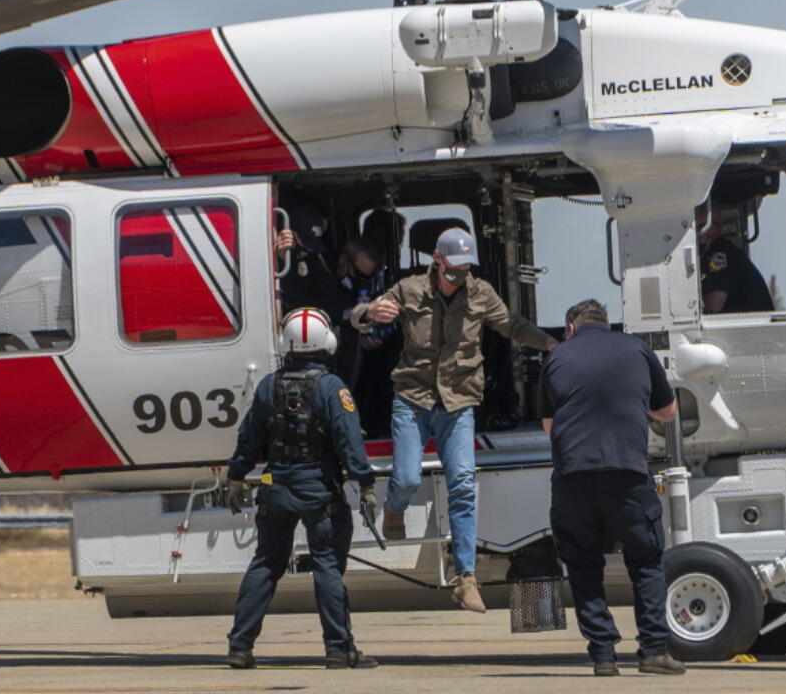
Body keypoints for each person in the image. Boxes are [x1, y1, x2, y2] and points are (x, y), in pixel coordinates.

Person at [351, 227, 556, 613]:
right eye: (454, 265)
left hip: (459, 402)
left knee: (463, 484)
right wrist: (368, 313)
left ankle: (466, 578)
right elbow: (358, 316)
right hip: (413, 399)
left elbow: (512, 325)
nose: (460, 272)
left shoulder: (480, 294)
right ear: (437, 259)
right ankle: (394, 508)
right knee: (407, 477)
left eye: (466, 266)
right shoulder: (409, 289)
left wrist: (548, 343)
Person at [224, 307, 377, 670]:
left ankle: (240, 646)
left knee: (265, 563)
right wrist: (365, 483)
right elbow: (349, 440)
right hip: (319, 492)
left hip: (276, 490)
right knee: (327, 566)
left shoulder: (267, 386)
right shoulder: (332, 387)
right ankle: (339, 649)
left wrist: (235, 476)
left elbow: (248, 439)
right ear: (326, 342)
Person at [538, 299, 685, 676]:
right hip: (627, 472)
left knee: (584, 564)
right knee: (646, 561)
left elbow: (549, 428)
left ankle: (603, 656)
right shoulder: (636, 348)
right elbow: (668, 412)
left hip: (574, 476)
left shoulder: (556, 358)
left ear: (571, 327)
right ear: (606, 323)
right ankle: (653, 651)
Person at [336, 238, 397, 438]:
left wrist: (378, 334)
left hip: (371, 347)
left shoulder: (374, 282)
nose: (361, 279)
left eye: (366, 276)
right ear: (346, 260)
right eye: (359, 273)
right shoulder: (328, 282)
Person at [695, 201, 774, 313]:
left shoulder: (720, 254)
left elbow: (715, 304)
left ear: (712, 228)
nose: (694, 233)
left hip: (752, 325)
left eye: (698, 227)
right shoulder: (713, 253)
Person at [276, 206, 343, 318]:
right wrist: (281, 259)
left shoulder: (312, 256)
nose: (309, 250)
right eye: (305, 241)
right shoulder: (269, 254)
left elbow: (328, 294)